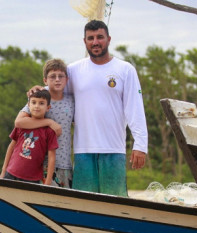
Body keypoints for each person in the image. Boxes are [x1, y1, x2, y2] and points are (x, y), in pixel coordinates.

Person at [29, 20, 148, 196]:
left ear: (108, 39)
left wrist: (140, 145)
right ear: (84, 41)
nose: (95, 42)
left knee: (115, 203)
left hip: (113, 148)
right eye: (90, 38)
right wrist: (38, 90)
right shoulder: (74, 69)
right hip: (83, 150)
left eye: (100, 37)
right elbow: (56, 91)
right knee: (85, 204)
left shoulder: (125, 70)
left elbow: (135, 109)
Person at [14, 59, 74, 188]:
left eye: (60, 76)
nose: (57, 79)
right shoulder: (40, 99)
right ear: (45, 80)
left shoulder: (71, 100)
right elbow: (19, 122)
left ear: (66, 80)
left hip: (65, 164)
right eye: (52, 76)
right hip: (42, 164)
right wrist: (49, 122)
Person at [0, 89, 58, 185]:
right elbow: (11, 147)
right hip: (10, 173)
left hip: (32, 179)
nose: (37, 106)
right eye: (33, 102)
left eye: (41, 103)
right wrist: (3, 170)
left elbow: (52, 158)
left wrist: (47, 183)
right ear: (29, 105)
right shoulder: (22, 125)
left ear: (48, 107)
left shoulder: (49, 131)